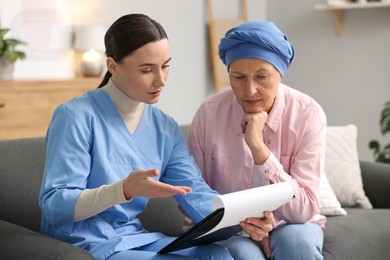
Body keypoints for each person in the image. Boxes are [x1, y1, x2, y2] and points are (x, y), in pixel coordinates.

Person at [38, 13, 261, 260]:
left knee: (218, 256)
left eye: (165, 66)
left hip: (133, 237)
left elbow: (193, 191)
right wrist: (123, 189)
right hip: (86, 241)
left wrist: (244, 219)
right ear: (112, 66)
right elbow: (55, 204)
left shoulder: (164, 126)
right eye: (147, 70)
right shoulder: (75, 116)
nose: (161, 79)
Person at [187, 21, 327, 260]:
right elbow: (190, 192)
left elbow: (303, 210)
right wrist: (245, 224)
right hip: (228, 227)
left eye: (262, 77)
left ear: (280, 75)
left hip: (290, 222)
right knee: (243, 255)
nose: (249, 90)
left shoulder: (308, 114)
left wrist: (259, 148)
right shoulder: (209, 113)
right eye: (238, 77)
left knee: (298, 247)